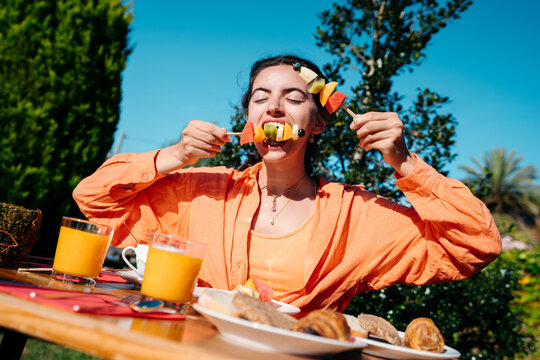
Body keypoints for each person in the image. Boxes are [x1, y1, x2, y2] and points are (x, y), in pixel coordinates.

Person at [73, 54, 501, 313]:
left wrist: (406, 163)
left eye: (294, 98)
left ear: (316, 123)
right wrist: (174, 156)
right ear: (249, 120)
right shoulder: (197, 191)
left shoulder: (360, 217)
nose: (274, 107)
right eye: (261, 97)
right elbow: (93, 199)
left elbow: (475, 245)